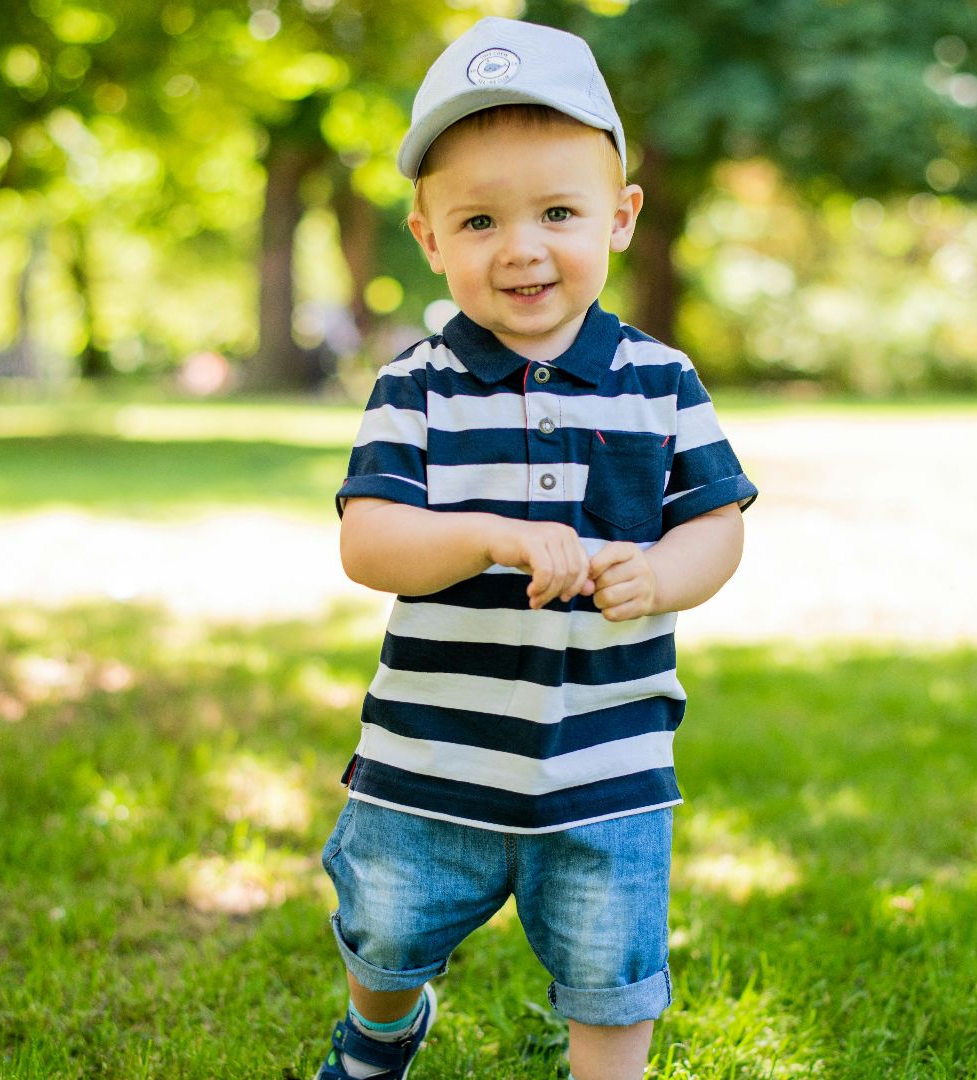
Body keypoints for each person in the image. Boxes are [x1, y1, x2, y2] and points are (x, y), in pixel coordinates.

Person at [316, 16, 757, 1080]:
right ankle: (379, 1034)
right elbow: (369, 542)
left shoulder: (660, 379)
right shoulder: (416, 385)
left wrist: (662, 573)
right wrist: (486, 537)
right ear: (429, 238)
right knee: (384, 933)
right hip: (431, 762)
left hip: (608, 765)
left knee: (614, 972)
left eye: (558, 212)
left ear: (619, 216)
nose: (520, 247)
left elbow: (718, 521)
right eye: (479, 221)